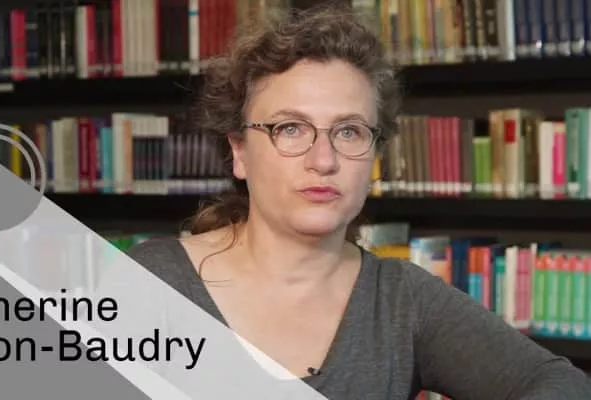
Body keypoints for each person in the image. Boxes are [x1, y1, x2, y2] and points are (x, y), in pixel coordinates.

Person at [126, 2, 591, 399]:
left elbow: (561, 384)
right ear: (240, 153)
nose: (323, 160)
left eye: (349, 131)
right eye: (290, 128)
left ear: (374, 155)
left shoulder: (402, 299)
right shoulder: (153, 282)